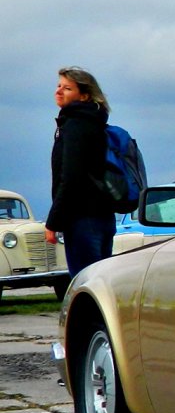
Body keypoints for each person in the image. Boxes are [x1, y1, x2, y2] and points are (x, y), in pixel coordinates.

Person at [46, 66, 115, 276]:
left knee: (85, 281)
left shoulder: (75, 125)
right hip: (104, 216)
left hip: (82, 218)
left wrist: (53, 222)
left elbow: (71, 177)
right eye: (59, 85)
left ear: (84, 96)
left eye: (67, 88)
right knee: (102, 280)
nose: (59, 91)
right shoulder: (95, 122)